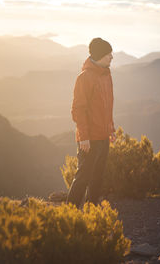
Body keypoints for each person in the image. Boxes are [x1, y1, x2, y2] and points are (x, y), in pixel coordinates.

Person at [67, 37, 116, 208]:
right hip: (89, 139)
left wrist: (111, 129)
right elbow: (78, 110)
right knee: (83, 178)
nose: (112, 57)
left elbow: (108, 105)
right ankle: (69, 214)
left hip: (103, 136)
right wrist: (84, 138)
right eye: (109, 54)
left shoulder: (106, 75)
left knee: (98, 177)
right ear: (100, 55)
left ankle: (91, 212)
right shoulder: (85, 78)